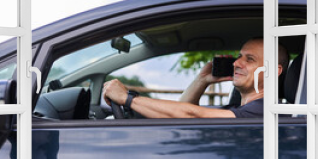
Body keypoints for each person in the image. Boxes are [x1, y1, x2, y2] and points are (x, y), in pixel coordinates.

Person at [102, 37, 288, 118]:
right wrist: (202, 80)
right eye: (239, 56)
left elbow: (191, 114)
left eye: (250, 59)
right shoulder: (240, 108)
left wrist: (127, 99)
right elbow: (182, 112)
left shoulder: (263, 111)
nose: (236, 63)